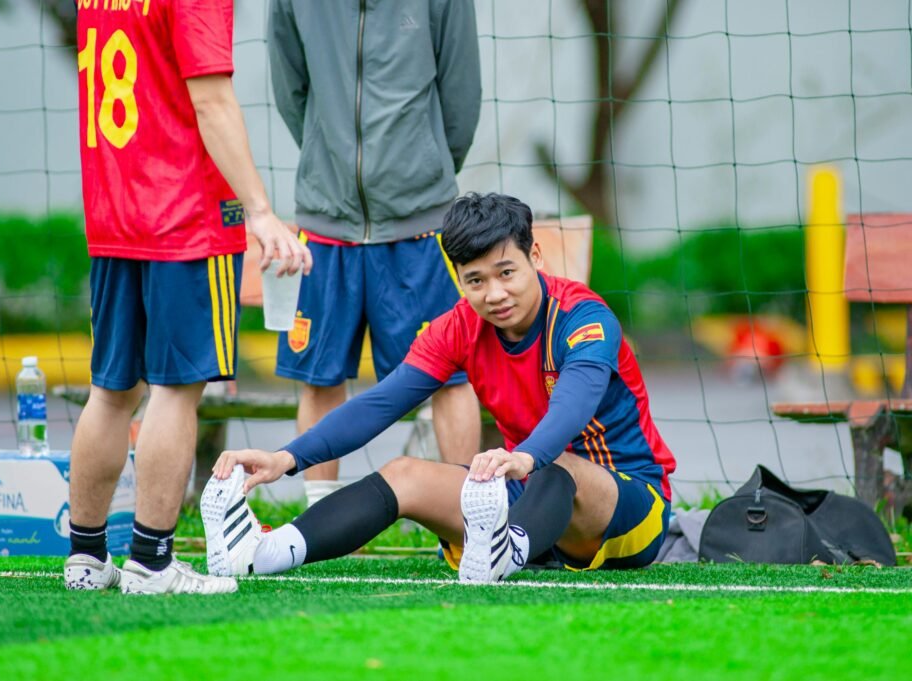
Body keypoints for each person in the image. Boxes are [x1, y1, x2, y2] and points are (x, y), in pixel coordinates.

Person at [201, 193, 676, 582]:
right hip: (527, 498)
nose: (494, 293)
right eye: (475, 280)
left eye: (506, 272)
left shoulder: (584, 317)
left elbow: (573, 403)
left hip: (627, 506)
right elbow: (383, 401)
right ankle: (266, 552)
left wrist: (526, 457)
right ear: (459, 278)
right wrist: (288, 457)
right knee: (405, 472)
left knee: (562, 466)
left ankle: (505, 552)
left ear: (535, 256)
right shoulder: (459, 326)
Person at [64, 0, 311, 596]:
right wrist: (259, 210)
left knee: (112, 390)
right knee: (176, 390)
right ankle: (151, 561)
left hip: (113, 213)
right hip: (185, 219)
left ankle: (86, 558)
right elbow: (211, 99)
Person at [266, 0, 484, 507]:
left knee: (450, 378)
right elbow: (289, 86)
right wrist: (330, 159)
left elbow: (461, 94)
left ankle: (467, 512)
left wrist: (420, 174)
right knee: (319, 378)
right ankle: (319, 514)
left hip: (419, 226)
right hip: (325, 222)